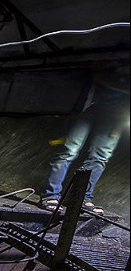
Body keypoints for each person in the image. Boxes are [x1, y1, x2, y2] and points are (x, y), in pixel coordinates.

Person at [41, 63, 129, 214]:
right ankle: (51, 195)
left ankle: (82, 199)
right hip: (92, 109)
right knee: (69, 150)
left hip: (116, 117)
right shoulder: (116, 61)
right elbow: (98, 74)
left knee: (100, 157)